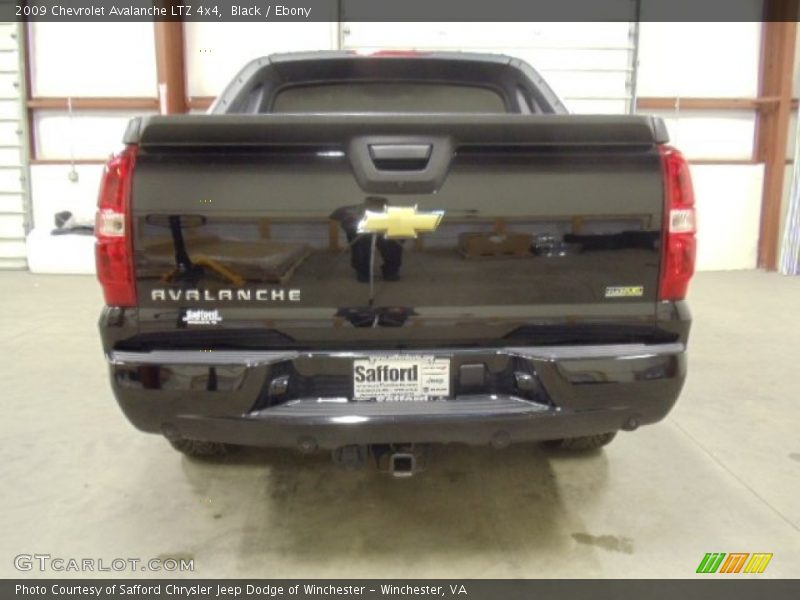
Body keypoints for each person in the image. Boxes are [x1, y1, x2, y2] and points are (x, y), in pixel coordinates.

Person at [330, 196, 403, 283]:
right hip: (361, 231)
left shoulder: (396, 212)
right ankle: (363, 271)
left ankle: (391, 269)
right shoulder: (351, 210)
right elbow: (336, 215)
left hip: (386, 228)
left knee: (395, 237)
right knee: (361, 240)